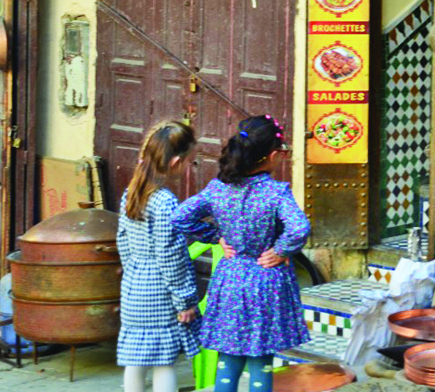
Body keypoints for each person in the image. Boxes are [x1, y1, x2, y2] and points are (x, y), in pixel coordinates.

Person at [173, 115, 311, 392]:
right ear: (271, 155)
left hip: (231, 279)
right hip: (266, 282)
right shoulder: (276, 193)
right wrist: (281, 250)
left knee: (229, 357)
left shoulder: (218, 189)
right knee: (261, 361)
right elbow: (299, 227)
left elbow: (180, 217)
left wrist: (216, 237)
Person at [117, 121, 202, 392]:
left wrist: (134, 272)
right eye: (190, 161)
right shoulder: (165, 202)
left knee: (137, 357)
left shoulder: (131, 193)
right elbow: (171, 256)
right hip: (160, 291)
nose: (190, 166)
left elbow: (122, 241)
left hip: (134, 286)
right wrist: (184, 301)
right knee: (164, 361)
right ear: (175, 162)